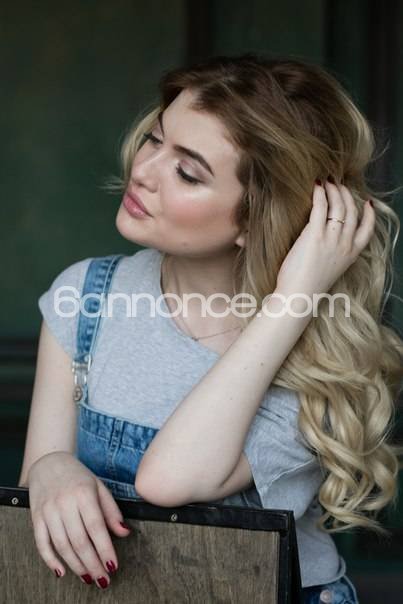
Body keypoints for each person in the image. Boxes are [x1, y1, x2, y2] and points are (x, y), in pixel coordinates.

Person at [18, 53, 403, 601]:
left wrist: (292, 301)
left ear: (256, 216)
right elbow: (35, 495)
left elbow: (168, 481)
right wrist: (52, 469)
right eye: (155, 140)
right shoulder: (85, 296)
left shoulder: (313, 349)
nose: (143, 171)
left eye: (187, 172)